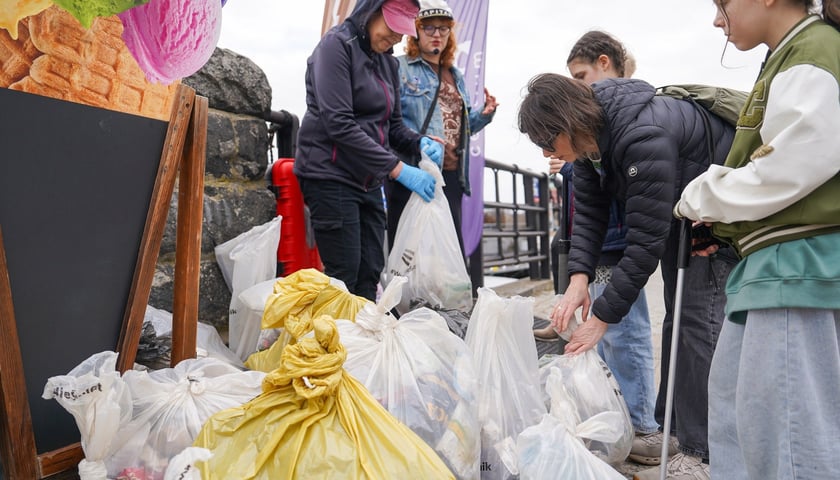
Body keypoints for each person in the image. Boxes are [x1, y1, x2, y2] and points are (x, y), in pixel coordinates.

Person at [517, 73, 736, 480]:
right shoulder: (589, 145)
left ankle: (702, 451)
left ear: (566, 123)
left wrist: (600, 318)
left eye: (548, 141)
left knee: (698, 322)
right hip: (682, 217)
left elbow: (643, 245)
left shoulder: (641, 134)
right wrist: (579, 278)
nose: (548, 151)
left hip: (719, 219)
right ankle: (674, 431)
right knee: (677, 320)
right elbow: (590, 213)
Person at [674, 1, 840, 478]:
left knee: (785, 437)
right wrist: (722, 225)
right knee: (741, 419)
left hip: (793, 264)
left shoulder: (813, 47)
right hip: (772, 263)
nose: (716, 18)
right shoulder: (791, 52)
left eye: (722, 3)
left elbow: (794, 161)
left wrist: (701, 197)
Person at [539, 30, 665, 467]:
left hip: (619, 237)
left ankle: (642, 426)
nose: (577, 86)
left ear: (606, 63)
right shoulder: (593, 129)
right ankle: (626, 419)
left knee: (624, 333)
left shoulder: (628, 123)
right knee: (609, 337)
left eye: (581, 75)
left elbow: (627, 205)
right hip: (602, 239)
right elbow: (588, 201)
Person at [294, 0, 444, 301]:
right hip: (330, 172)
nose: (396, 39)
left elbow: (394, 125)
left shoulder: (388, 63)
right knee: (344, 273)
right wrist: (399, 169)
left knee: (372, 270)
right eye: (391, 28)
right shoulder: (335, 48)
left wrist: (419, 142)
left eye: (402, 33)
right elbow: (338, 123)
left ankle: (364, 344)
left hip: (369, 179)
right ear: (371, 11)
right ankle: (337, 343)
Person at [386, 0, 498, 258]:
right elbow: (390, 121)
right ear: (415, 31)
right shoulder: (398, 67)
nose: (437, 34)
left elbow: (463, 125)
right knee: (408, 249)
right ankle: (406, 298)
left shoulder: (455, 75)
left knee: (449, 251)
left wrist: (484, 115)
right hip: (413, 169)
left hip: (451, 174)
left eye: (443, 29)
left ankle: (449, 300)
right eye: (429, 28)